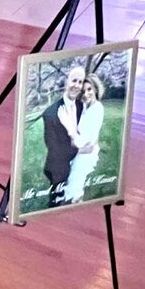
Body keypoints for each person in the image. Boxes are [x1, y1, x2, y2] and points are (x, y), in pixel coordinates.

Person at [39, 65, 86, 207]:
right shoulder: (50, 114)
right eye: (74, 81)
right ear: (66, 82)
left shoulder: (80, 106)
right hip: (58, 166)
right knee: (57, 203)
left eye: (80, 82)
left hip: (77, 159)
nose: (76, 85)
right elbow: (52, 147)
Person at [62, 75, 105, 204]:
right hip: (81, 148)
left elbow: (89, 141)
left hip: (86, 152)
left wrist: (73, 145)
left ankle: (76, 204)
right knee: (71, 182)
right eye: (84, 91)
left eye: (89, 89)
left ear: (95, 89)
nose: (86, 94)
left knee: (74, 185)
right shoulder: (86, 106)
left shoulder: (97, 109)